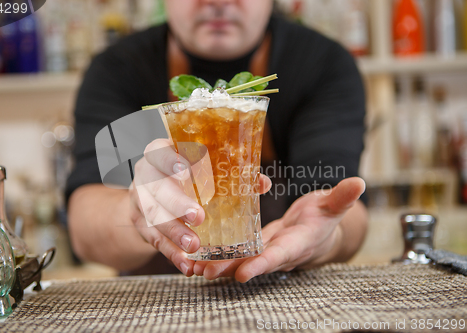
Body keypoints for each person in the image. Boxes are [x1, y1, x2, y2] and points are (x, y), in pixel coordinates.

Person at [66, 0, 368, 283]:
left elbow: (342, 205)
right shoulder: (118, 69)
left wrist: (328, 235)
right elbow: (84, 225)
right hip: (154, 308)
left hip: (284, 296)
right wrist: (137, 214)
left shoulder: (321, 62)